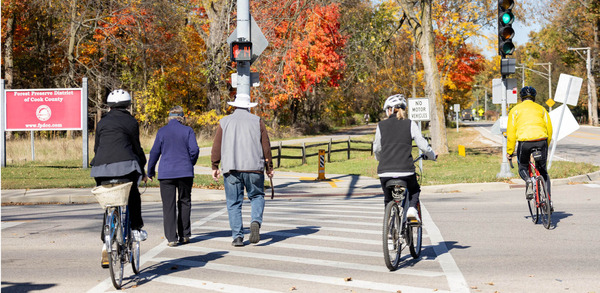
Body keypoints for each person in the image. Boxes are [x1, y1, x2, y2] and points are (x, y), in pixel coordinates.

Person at [90, 89, 148, 267]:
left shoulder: (102, 123)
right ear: (128, 105)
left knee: (109, 204)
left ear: (109, 105)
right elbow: (136, 148)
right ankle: (136, 228)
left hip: (100, 169)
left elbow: (96, 148)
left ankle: (105, 242)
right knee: (133, 196)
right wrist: (143, 166)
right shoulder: (130, 121)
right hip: (125, 166)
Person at [211, 93, 274, 247]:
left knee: (234, 203)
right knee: (257, 196)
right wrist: (269, 167)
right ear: (248, 106)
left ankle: (238, 237)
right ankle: (255, 221)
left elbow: (216, 146)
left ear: (234, 105)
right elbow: (265, 145)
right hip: (254, 168)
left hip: (231, 168)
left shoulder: (224, 122)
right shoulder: (257, 121)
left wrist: (215, 165)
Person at [373, 94, 436, 223]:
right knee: (414, 190)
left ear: (389, 110)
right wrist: (432, 155)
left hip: (385, 171)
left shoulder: (381, 125)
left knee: (388, 198)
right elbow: (422, 145)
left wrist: (381, 159)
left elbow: (377, 149)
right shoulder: (410, 124)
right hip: (406, 170)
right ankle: (412, 208)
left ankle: (389, 227)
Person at [147, 106, 200, 247]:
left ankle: (171, 238)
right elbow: (194, 150)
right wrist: (190, 163)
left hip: (166, 174)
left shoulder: (162, 131)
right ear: (182, 117)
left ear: (169, 117)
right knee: (184, 202)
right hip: (185, 172)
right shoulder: (188, 130)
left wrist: (150, 171)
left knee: (168, 206)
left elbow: (154, 153)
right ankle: (185, 234)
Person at [506, 86, 553, 203]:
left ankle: (528, 180)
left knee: (522, 166)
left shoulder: (515, 110)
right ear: (534, 97)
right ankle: (549, 201)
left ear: (521, 98)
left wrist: (510, 152)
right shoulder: (542, 109)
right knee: (543, 172)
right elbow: (549, 130)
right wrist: (545, 145)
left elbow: (511, 134)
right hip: (542, 140)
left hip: (525, 142)